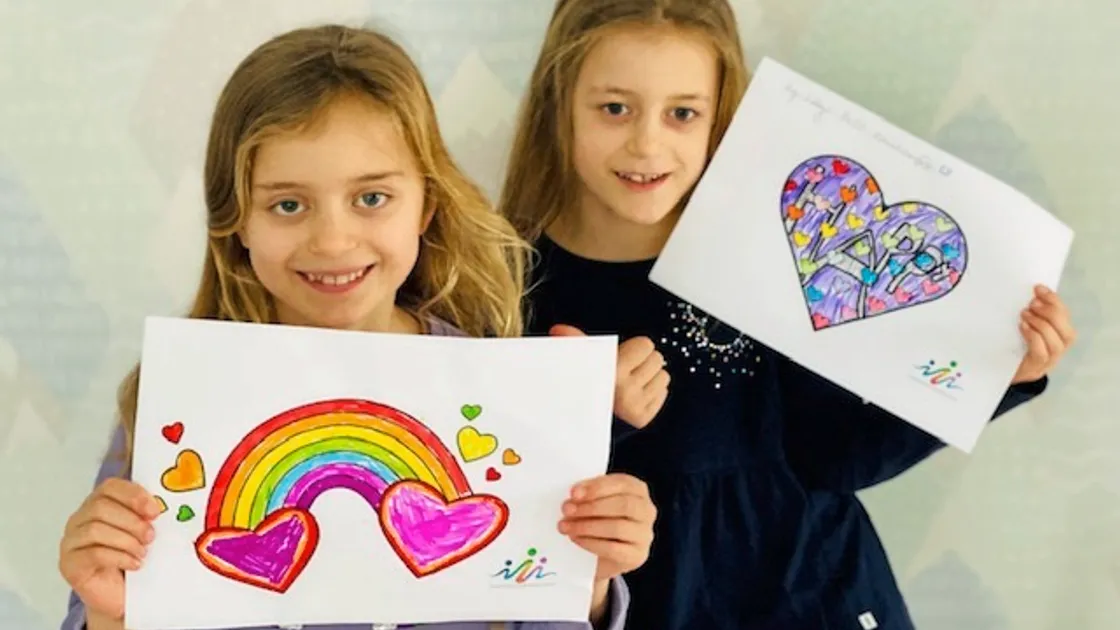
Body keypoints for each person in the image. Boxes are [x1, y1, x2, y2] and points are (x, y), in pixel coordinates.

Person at [57, 25, 658, 630]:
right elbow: (116, 605)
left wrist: (589, 580)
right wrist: (110, 611)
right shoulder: (173, 405)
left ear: (427, 204)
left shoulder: (497, 399)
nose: (333, 241)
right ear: (236, 221)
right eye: (288, 205)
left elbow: (531, 602)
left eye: (371, 198)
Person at [500, 1, 1077, 628]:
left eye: (683, 113)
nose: (647, 143)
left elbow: (839, 456)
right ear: (559, 103)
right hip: (641, 607)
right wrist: (601, 417)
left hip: (818, 596)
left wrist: (1001, 375)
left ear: (721, 115)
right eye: (615, 108)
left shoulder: (778, 249)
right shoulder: (507, 282)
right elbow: (514, 496)